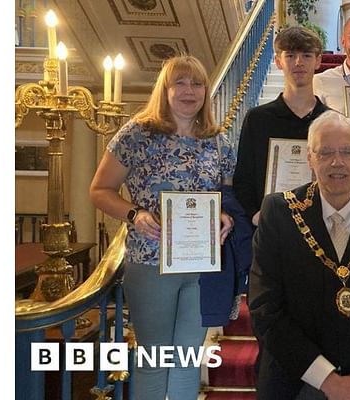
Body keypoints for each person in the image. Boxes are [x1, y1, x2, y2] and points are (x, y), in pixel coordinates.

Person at [89, 55, 243, 400]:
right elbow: (99, 191)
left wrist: (226, 217)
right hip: (150, 262)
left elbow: (228, 198)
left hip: (202, 265)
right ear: (166, 89)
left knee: (187, 360)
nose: (190, 91)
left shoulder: (218, 141)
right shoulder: (137, 134)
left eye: (197, 83)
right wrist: (134, 214)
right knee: (154, 359)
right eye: (181, 83)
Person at [249, 110, 350, 400]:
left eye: (348, 152)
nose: (338, 162)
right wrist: (328, 381)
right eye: (325, 153)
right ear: (310, 158)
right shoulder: (279, 212)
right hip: (294, 382)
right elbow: (264, 308)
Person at [234, 26, 330, 227]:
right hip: (270, 226)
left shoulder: (331, 122)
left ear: (318, 61)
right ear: (278, 61)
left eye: (306, 55)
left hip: (321, 227)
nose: (298, 62)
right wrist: (254, 214)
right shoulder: (257, 119)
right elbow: (243, 178)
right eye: (290, 55)